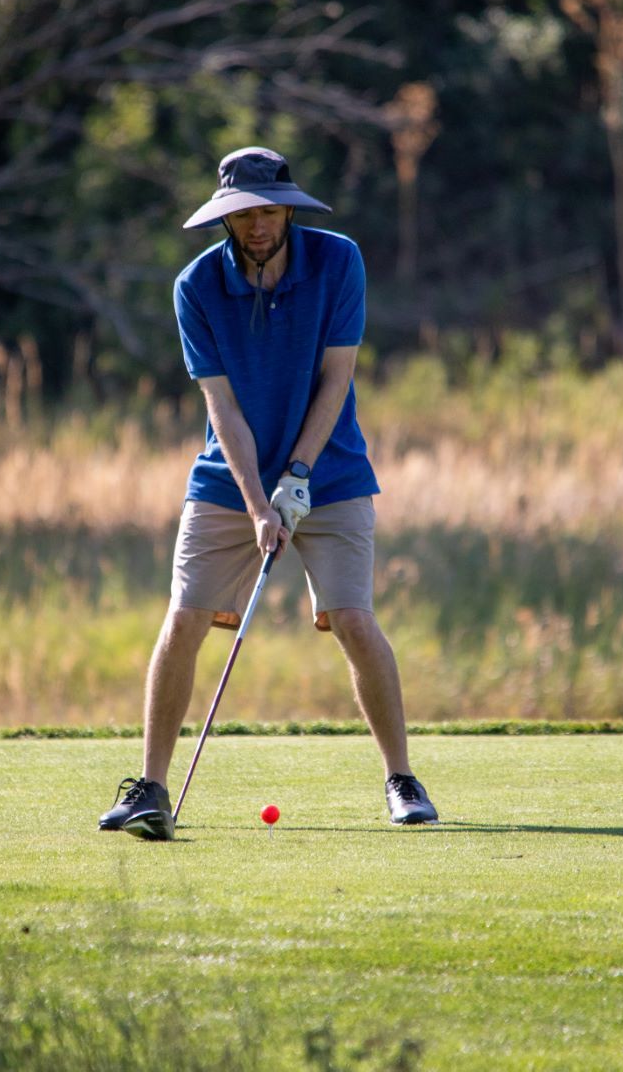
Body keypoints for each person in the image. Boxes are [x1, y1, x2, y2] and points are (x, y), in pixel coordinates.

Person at [99, 146, 438, 840]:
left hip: (332, 473)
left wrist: (300, 474)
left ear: (289, 210)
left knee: (353, 618)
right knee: (184, 619)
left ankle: (402, 779)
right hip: (229, 479)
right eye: (244, 214)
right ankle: (151, 789)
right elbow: (222, 410)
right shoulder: (196, 286)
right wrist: (260, 506)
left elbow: (336, 378)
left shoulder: (339, 261)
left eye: (270, 211)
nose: (258, 226)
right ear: (225, 218)